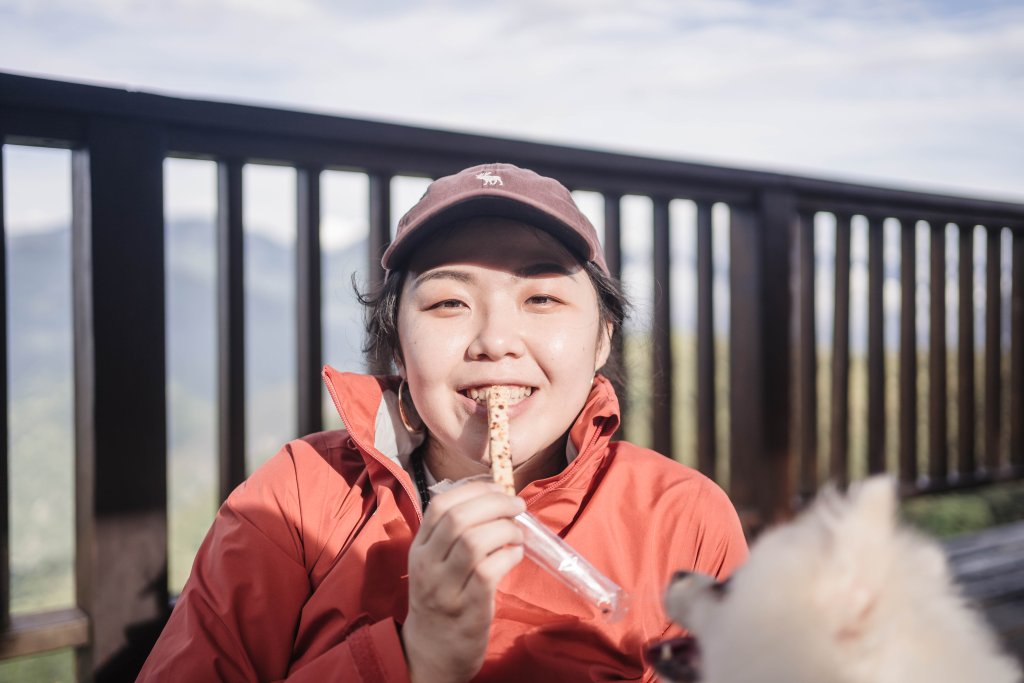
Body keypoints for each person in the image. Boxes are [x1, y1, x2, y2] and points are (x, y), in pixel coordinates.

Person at [137, 163, 748, 682]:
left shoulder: (681, 517)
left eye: (542, 298)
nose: (496, 341)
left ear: (600, 342)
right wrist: (412, 656)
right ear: (398, 347)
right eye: (449, 302)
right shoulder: (299, 498)